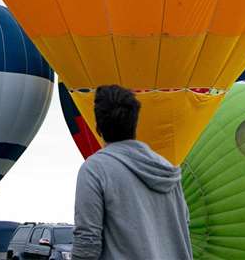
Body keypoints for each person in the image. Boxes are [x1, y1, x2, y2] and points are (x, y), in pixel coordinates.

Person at [72, 85, 192, 260]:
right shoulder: (166, 169)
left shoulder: (95, 169)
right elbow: (184, 224)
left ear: (97, 126)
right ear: (135, 122)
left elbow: (88, 239)